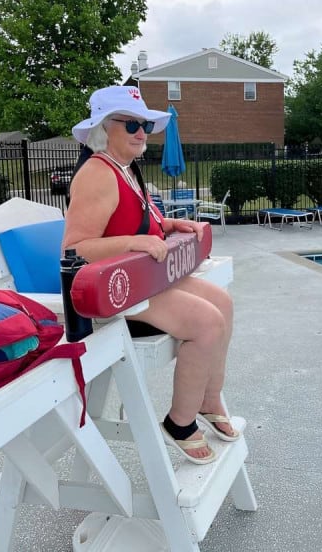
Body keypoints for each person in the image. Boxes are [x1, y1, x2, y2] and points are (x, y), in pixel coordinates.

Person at [62, 85, 238, 464]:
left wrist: (168, 224)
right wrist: (131, 243)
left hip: (142, 280)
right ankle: (180, 422)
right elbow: (74, 249)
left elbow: (137, 223)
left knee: (222, 302)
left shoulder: (125, 170)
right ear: (103, 129)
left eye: (143, 124)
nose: (141, 132)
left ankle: (209, 400)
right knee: (207, 323)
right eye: (131, 125)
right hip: (114, 294)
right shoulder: (97, 174)